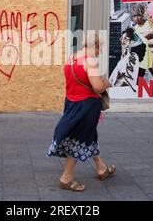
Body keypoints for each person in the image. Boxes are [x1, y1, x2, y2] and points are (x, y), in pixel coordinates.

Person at [47, 33, 115, 192]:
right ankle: (66, 178)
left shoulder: (71, 58)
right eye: (100, 48)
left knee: (89, 135)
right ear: (96, 46)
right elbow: (98, 87)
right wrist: (107, 82)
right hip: (86, 107)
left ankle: (101, 168)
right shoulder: (90, 61)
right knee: (80, 138)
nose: (100, 51)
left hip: (72, 103)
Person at [131, 3, 153, 84]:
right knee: (136, 82)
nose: (137, 18)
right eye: (134, 16)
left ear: (143, 13)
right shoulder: (133, 29)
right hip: (140, 61)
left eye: (138, 15)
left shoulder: (150, 24)